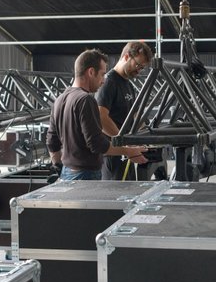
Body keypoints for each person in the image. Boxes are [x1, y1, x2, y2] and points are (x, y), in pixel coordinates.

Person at [47, 49, 146, 181]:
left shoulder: (60, 99)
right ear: (91, 72)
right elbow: (97, 144)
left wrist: (58, 166)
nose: (103, 80)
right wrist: (129, 151)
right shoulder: (85, 100)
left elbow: (51, 142)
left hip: (67, 173)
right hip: (85, 175)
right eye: (102, 74)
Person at [97, 40, 154, 180]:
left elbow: (134, 115)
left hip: (125, 151)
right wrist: (124, 144)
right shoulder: (109, 83)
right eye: (138, 65)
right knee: (116, 192)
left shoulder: (128, 84)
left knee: (128, 190)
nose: (139, 70)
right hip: (112, 154)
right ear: (127, 56)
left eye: (142, 68)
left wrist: (149, 136)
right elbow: (101, 118)